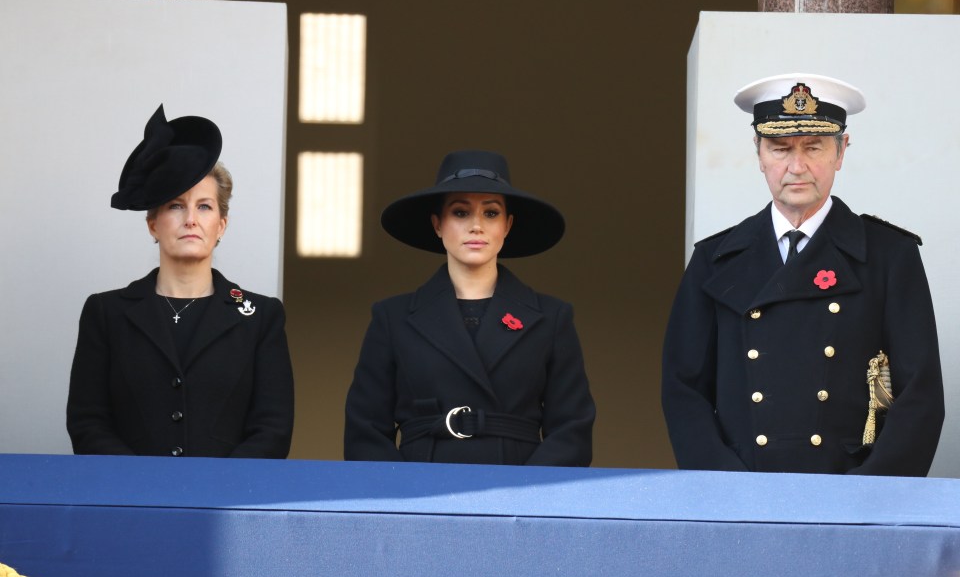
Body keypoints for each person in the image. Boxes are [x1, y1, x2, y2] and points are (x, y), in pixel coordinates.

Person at [661, 73, 944, 476]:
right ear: (758, 153)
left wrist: (871, 495)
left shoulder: (889, 257)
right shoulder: (715, 260)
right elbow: (683, 389)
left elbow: (921, 393)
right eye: (780, 148)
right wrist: (723, 489)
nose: (797, 167)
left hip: (849, 493)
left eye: (814, 147)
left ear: (841, 151)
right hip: (742, 494)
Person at [66, 105, 294, 458]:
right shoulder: (105, 312)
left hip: (226, 503)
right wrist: (144, 486)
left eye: (204, 207)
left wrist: (214, 488)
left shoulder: (261, 316)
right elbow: (87, 423)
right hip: (131, 502)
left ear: (221, 226)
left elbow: (273, 429)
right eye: (175, 205)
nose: (191, 219)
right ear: (153, 224)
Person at [344, 150, 595, 465]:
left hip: (518, 495)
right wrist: (406, 499)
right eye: (460, 212)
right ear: (437, 224)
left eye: (491, 213)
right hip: (422, 495)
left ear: (508, 225)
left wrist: (526, 495)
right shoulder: (392, 318)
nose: (476, 226)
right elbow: (364, 432)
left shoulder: (551, 318)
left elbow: (572, 430)